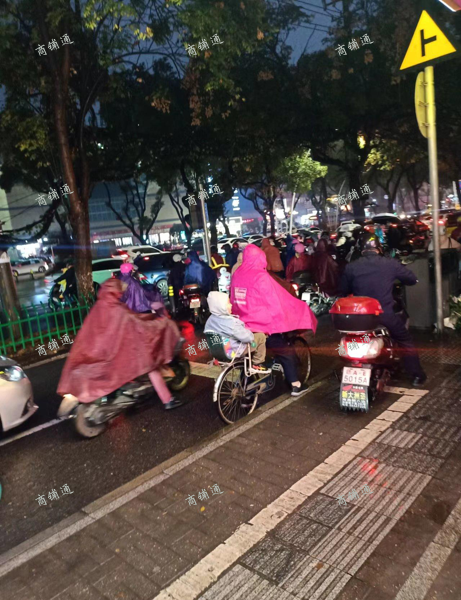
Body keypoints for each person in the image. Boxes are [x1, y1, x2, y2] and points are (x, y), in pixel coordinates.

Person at [57, 277, 184, 410]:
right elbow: (138, 325)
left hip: (101, 352)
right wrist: (161, 323)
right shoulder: (118, 309)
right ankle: (168, 400)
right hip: (120, 351)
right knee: (150, 366)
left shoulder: (98, 307)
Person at [231, 244, 317, 395]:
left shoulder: (238, 274)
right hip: (261, 327)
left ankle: (244, 386)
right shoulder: (260, 276)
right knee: (285, 352)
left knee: (250, 355)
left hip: (241, 326)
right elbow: (274, 301)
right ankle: (295, 385)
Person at [341, 233, 426, 386]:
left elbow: (343, 290)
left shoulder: (352, 266)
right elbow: (412, 279)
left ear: (361, 249)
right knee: (404, 339)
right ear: (379, 248)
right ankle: (417, 375)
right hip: (384, 315)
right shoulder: (390, 264)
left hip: (360, 318)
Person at [204, 291, 266, 365]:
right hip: (233, 352)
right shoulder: (232, 323)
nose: (231, 305)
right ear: (221, 306)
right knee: (260, 337)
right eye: (228, 303)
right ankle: (257, 363)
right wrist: (250, 332)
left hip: (217, 352)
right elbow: (248, 338)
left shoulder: (209, 320)